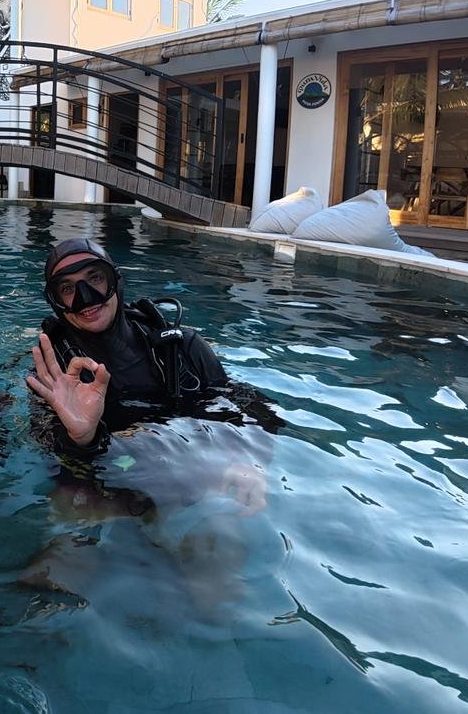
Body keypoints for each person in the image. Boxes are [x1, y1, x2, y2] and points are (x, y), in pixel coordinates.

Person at [23, 237, 281, 621]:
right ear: (55, 303)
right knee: (52, 584)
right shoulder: (52, 375)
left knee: (217, 582)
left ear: (117, 280)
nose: (86, 297)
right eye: (67, 289)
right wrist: (81, 437)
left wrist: (249, 462)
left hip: (187, 483)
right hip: (98, 489)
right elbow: (47, 449)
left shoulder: (182, 348)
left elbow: (255, 411)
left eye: (96, 279)